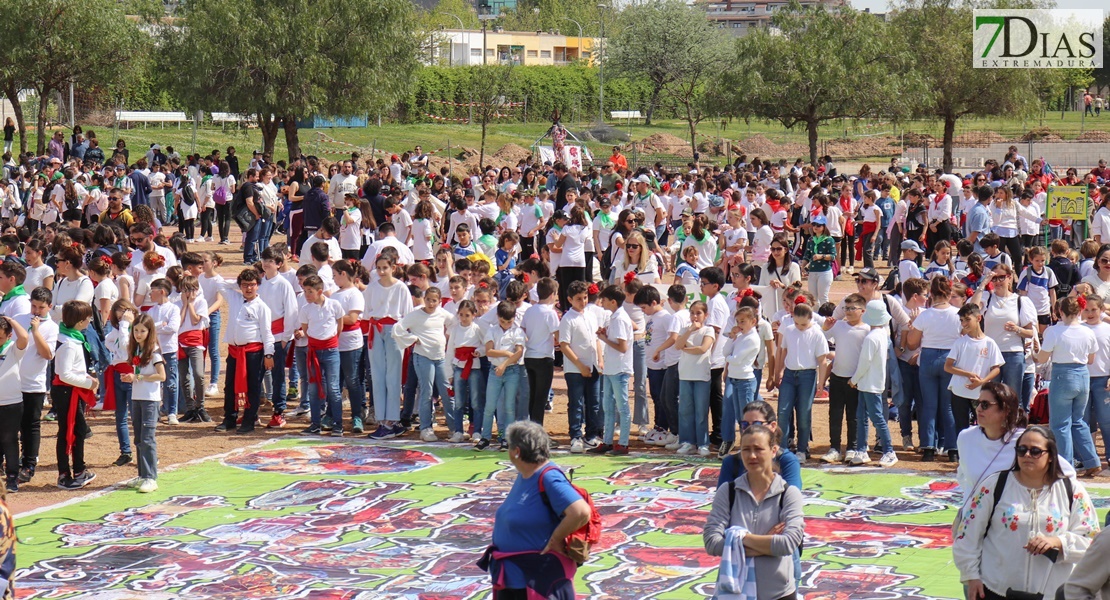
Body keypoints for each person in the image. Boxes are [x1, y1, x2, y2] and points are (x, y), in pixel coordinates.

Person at [953, 426, 1099, 600]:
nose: (1027, 455)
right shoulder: (994, 485)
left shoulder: (1072, 490)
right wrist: (971, 576)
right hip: (996, 589)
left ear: (1051, 455)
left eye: (1035, 451)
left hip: (1054, 593)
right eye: (1021, 450)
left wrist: (1058, 542)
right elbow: (967, 534)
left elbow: (1092, 543)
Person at [480, 421, 590, 599]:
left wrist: (555, 539)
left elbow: (580, 512)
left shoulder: (549, 477)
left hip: (537, 582)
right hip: (515, 579)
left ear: (517, 452)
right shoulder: (525, 475)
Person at [703, 424, 805, 600]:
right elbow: (712, 543)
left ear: (774, 450)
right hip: (733, 593)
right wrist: (768, 541)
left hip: (779, 595)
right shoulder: (728, 492)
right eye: (746, 449)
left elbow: (788, 544)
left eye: (758, 449)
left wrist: (736, 540)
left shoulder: (789, 494)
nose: (752, 456)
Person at [1035, 296, 1100, 476]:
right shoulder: (1088, 332)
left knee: (1060, 424)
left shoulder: (1054, 331)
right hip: (1083, 375)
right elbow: (1091, 359)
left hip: (1062, 375)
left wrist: (1034, 353)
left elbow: (1042, 358)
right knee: (1078, 421)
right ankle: (1092, 460)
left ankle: (1065, 465)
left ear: (1060, 312)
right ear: (1080, 311)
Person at [905, 277, 961, 462]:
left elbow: (912, 344)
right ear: (949, 293)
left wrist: (913, 326)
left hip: (928, 357)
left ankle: (928, 447)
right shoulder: (957, 314)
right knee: (948, 406)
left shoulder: (925, 315)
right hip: (950, 358)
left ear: (931, 293)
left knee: (929, 406)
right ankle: (952, 448)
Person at [215, 269, 276, 434]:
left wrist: (268, 354)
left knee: (252, 387)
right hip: (235, 351)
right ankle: (230, 418)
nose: (249, 289)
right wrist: (237, 283)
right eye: (245, 285)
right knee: (230, 386)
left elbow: (267, 333)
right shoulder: (235, 298)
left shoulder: (262, 307)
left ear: (258, 286)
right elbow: (219, 283)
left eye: (252, 285)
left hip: (253, 352)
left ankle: (249, 420)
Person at [773, 301, 830, 462]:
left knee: (804, 413)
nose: (800, 326)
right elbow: (783, 351)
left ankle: (802, 449)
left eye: (803, 324)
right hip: (790, 374)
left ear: (810, 319)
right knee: (783, 411)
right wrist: (779, 371)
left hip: (808, 375)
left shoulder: (817, 333)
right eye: (797, 323)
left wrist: (821, 382)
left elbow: (822, 360)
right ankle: (782, 448)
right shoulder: (790, 330)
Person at [53, 300, 99, 490]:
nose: (89, 321)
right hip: (67, 391)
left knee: (75, 431)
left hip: (71, 389)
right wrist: (89, 383)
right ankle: (67, 474)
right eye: (88, 318)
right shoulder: (69, 344)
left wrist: (86, 377)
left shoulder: (71, 338)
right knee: (70, 431)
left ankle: (78, 471)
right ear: (80, 321)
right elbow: (65, 374)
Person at [121, 313, 166, 494]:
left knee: (148, 438)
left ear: (150, 332)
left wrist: (138, 376)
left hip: (149, 399)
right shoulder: (136, 350)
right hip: (137, 398)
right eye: (136, 330)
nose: (138, 334)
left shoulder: (153, 351)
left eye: (142, 331)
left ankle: (150, 477)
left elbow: (161, 375)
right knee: (139, 438)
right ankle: (142, 475)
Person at [944, 302, 1003, 437]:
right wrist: (967, 374)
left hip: (979, 393)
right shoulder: (960, 342)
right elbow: (948, 366)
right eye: (961, 320)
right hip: (959, 391)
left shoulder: (989, 343)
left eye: (967, 319)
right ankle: (960, 454)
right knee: (960, 425)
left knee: (982, 425)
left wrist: (982, 381)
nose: (964, 323)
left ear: (978, 318)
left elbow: (996, 368)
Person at [475, 301, 526, 451]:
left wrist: (504, 364)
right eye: (502, 321)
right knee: (490, 406)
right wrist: (505, 353)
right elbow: (489, 351)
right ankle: (485, 437)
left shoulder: (518, 331)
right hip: (494, 370)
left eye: (509, 322)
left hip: (510, 370)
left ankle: (506, 438)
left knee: (509, 407)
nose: (505, 325)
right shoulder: (492, 330)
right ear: (497, 317)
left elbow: (519, 353)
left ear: (514, 318)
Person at [0, 317, 28, 493]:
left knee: (9, 440)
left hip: (11, 402)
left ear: (9, 336)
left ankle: (12, 477)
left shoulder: (12, 349)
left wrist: (10, 319)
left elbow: (24, 337)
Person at [801, 215, 835, 305]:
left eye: (818, 225)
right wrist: (802, 266)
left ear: (824, 227)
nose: (815, 227)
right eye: (814, 224)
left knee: (823, 297)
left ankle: (825, 316)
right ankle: (815, 317)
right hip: (812, 271)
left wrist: (821, 256)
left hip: (824, 271)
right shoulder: (811, 239)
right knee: (813, 298)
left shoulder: (829, 240)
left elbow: (833, 256)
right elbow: (807, 255)